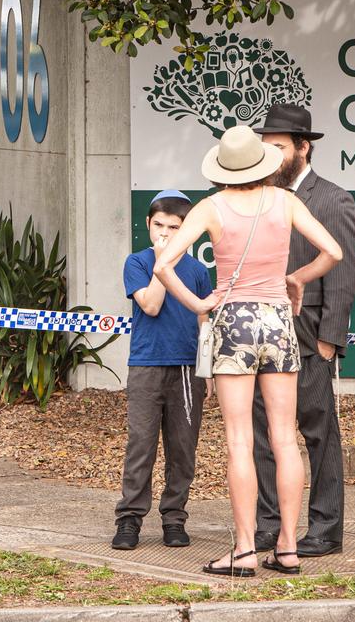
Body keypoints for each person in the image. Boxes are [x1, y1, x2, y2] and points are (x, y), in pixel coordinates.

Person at [154, 126, 342, 577]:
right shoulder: (285, 201)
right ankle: (289, 548)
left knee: (239, 440)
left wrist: (199, 303)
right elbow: (332, 251)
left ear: (223, 167)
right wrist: (297, 278)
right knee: (285, 438)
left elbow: (163, 265)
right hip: (278, 321)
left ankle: (242, 551)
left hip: (232, 321)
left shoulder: (211, 208)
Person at [252, 103, 355, 559]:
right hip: (264, 328)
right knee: (264, 430)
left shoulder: (332, 199)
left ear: (303, 147)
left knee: (318, 430)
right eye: (266, 148)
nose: (272, 156)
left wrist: (329, 337)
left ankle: (325, 528)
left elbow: (344, 271)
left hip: (310, 330)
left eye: (279, 148)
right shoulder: (258, 196)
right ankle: (269, 524)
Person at [111, 190, 212, 551]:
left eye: (174, 227)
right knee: (141, 444)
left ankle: (174, 518)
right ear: (148, 225)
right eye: (159, 226)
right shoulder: (137, 263)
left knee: (183, 447)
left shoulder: (199, 270)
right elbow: (151, 306)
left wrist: (208, 370)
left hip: (187, 370)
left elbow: (204, 320)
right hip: (147, 365)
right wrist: (163, 262)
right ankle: (129, 520)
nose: (165, 233)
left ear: (188, 230)